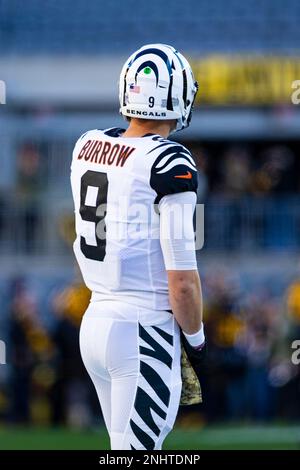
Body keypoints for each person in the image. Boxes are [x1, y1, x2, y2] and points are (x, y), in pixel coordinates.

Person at [70, 44, 204, 450]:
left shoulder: (86, 145)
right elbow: (182, 280)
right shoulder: (169, 161)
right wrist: (197, 340)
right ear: (176, 94)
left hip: (95, 320)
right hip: (143, 325)